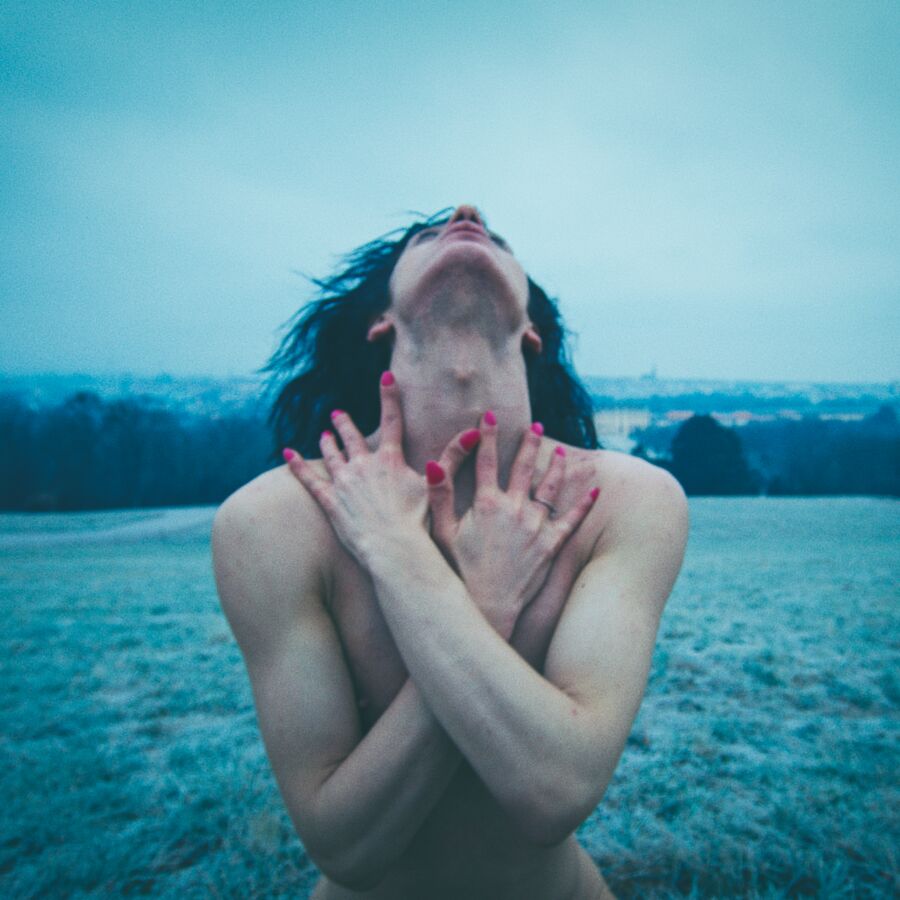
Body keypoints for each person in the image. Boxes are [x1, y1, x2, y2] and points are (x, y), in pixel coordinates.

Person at [212, 205, 688, 899]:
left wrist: (399, 555)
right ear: (383, 319)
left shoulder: (626, 501)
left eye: (498, 237)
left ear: (531, 329)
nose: (469, 214)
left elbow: (554, 792)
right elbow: (346, 845)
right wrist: (481, 606)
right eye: (427, 235)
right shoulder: (271, 522)